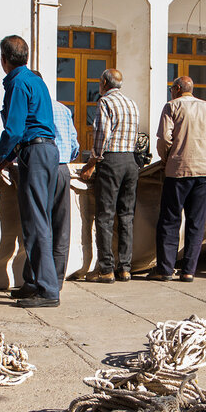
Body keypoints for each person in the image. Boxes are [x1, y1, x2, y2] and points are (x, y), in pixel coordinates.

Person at [0, 35, 61, 308]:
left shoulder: (17, 82)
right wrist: (4, 160)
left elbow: (14, 131)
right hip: (45, 150)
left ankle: (47, 290)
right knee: (37, 220)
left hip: (35, 152)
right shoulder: (36, 80)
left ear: (4, 60)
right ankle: (34, 281)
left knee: (36, 222)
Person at [148, 76, 206, 282]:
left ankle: (165, 268)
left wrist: (167, 159)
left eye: (172, 88)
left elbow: (164, 138)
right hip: (202, 171)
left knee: (170, 220)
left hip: (178, 170)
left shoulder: (172, 106)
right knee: (196, 222)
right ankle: (189, 270)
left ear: (177, 89)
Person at [11, 74, 77, 299]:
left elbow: (16, 132)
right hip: (61, 167)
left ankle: (40, 282)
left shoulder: (34, 109)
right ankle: (53, 280)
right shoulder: (62, 109)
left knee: (39, 224)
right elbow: (75, 145)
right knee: (59, 228)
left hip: (40, 164)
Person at [78, 69, 140, 283]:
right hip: (130, 161)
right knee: (126, 216)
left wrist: (92, 162)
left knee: (104, 215)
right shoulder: (131, 103)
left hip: (112, 161)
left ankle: (106, 268)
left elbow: (101, 135)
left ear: (104, 82)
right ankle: (124, 267)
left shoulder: (105, 102)